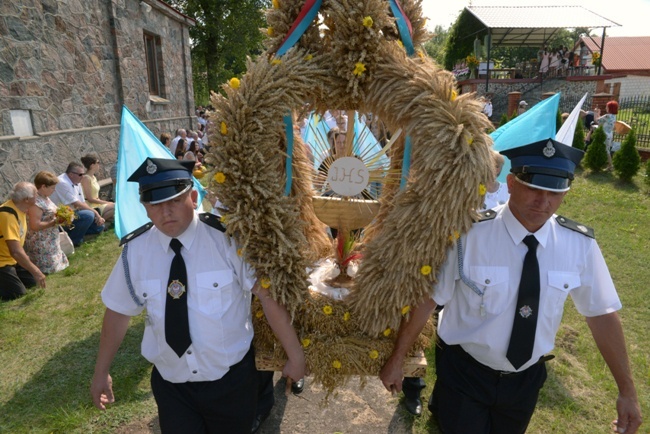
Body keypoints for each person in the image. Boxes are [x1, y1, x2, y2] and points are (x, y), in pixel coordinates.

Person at [379, 138, 642, 434]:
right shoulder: (467, 234)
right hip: (466, 371)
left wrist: (627, 392)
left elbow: (602, 314)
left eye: (555, 192)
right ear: (512, 182)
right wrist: (398, 357)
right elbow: (428, 299)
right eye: (534, 188)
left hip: (526, 380)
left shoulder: (578, 245)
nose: (544, 201)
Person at [90, 158, 305, 433]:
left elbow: (267, 297)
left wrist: (295, 355)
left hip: (230, 382)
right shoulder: (135, 252)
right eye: (155, 205)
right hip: (172, 386)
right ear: (145, 209)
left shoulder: (229, 240)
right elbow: (119, 311)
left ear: (193, 197)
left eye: (174, 201)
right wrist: (101, 371)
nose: (165, 212)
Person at [0, 182, 47, 301]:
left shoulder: (21, 209)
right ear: (26, 199)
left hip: (12, 260)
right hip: (2, 261)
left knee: (32, 282)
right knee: (17, 294)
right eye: (35, 194)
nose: (38, 195)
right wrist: (35, 270)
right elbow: (15, 251)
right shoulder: (7, 215)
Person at [50, 162, 105, 247]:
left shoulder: (77, 181)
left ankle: (74, 233)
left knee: (99, 226)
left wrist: (96, 214)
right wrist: (96, 214)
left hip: (73, 213)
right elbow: (76, 203)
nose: (83, 176)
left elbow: (81, 202)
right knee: (89, 215)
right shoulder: (62, 182)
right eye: (80, 174)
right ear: (71, 174)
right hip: (61, 217)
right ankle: (75, 240)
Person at [24, 171, 69, 274]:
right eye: (52, 188)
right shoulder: (36, 202)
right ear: (43, 186)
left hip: (51, 240)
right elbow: (34, 225)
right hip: (41, 243)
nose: (54, 190)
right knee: (51, 270)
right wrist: (54, 222)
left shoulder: (45, 198)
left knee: (59, 268)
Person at [80, 154, 115, 222]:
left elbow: (96, 196)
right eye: (98, 162)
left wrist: (104, 202)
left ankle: (103, 221)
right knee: (115, 207)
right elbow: (90, 199)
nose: (99, 164)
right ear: (92, 165)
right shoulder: (86, 178)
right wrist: (107, 202)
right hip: (91, 205)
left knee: (114, 208)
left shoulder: (93, 177)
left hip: (96, 203)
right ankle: (100, 223)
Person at [597, 100, 618, 170]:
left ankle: (610, 166)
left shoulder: (607, 116)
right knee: (607, 150)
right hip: (610, 134)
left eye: (607, 106)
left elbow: (597, 121)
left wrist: (597, 113)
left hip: (604, 134)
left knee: (606, 150)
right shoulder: (614, 116)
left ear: (610, 108)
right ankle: (608, 165)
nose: (606, 108)